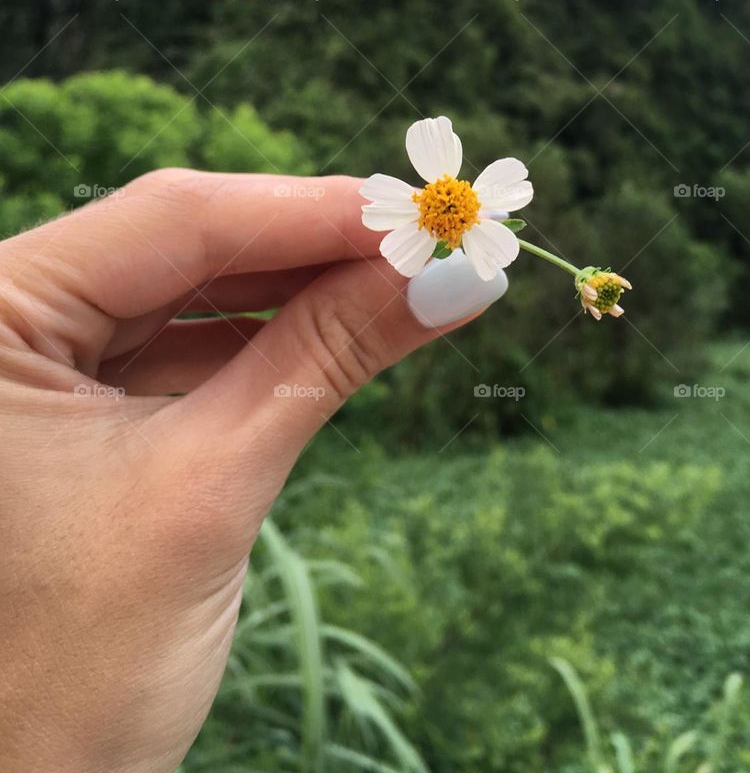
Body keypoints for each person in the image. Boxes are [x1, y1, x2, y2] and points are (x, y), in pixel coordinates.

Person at [0, 168, 506, 772]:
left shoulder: (468, 224)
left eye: (450, 207)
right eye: (444, 205)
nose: (447, 207)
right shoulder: (418, 225)